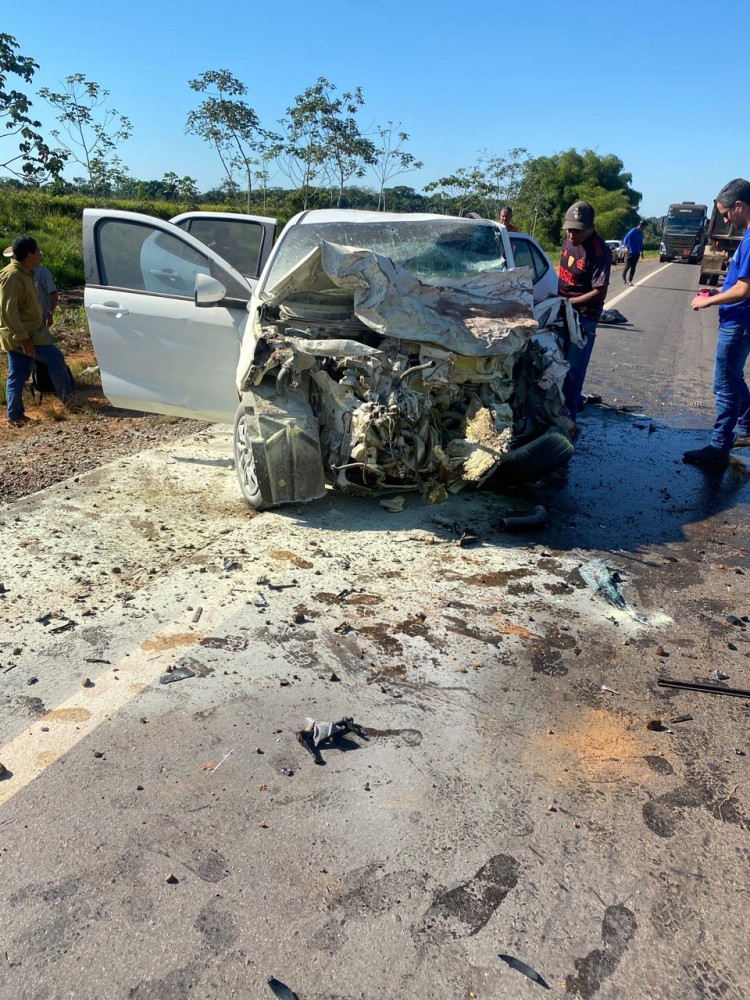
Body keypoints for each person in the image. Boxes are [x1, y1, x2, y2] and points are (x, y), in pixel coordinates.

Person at [683, 178, 750, 468]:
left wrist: (706, 302)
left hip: (739, 322)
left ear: (740, 206)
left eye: (726, 214)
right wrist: (717, 292)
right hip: (739, 319)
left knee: (723, 383)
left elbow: (745, 289)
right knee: (733, 378)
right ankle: (746, 428)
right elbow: (737, 283)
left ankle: (719, 447)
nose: (725, 220)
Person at [0, 236, 74, 425]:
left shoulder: (24, 272)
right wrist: (24, 339)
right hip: (24, 336)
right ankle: (70, 402)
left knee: (18, 373)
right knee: (55, 358)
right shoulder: (13, 276)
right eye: (37, 251)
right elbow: (8, 311)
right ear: (28, 254)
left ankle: (15, 416)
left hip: (29, 333)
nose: (40, 253)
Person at [557, 201, 612, 421]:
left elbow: (600, 292)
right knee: (556, 362)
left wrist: (570, 304)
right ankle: (568, 402)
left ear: (591, 227)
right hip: (561, 309)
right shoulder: (569, 240)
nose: (571, 235)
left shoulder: (599, 251)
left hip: (583, 316)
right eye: (569, 229)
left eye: (577, 231)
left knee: (574, 369)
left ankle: (569, 418)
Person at [3, 244, 58, 324]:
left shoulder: (42, 272)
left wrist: (50, 314)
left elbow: (54, 294)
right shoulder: (12, 274)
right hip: (20, 320)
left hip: (39, 319)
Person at [622, 220, 647, 286]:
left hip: (636, 253)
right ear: (642, 226)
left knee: (633, 267)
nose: (644, 228)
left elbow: (641, 243)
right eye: (644, 226)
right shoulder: (633, 231)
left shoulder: (641, 233)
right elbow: (625, 239)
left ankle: (630, 280)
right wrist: (626, 247)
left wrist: (642, 252)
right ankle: (624, 277)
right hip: (630, 252)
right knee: (627, 267)